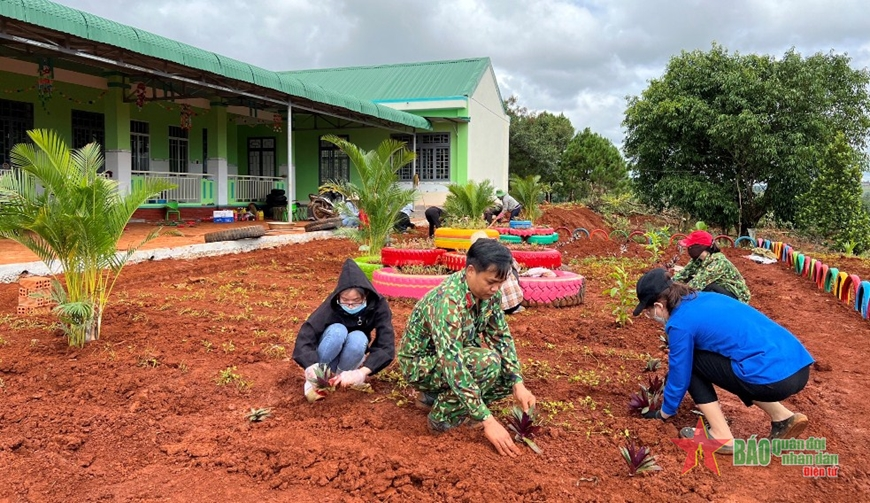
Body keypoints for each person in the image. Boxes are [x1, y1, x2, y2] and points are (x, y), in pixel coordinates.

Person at [634, 268, 814, 453]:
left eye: (648, 312)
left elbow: (680, 373)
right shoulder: (704, 297)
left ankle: (721, 435)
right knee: (741, 360)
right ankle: (782, 417)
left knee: (693, 362)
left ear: (658, 306)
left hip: (773, 380)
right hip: (797, 366)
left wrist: (664, 413)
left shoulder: (679, 323)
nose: (650, 317)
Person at [398, 238, 536, 457]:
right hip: (422, 366)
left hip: (453, 359)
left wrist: (518, 382)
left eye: (500, 283)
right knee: (487, 364)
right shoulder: (448, 301)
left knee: (505, 375)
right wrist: (488, 420)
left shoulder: (489, 295)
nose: (496, 289)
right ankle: (442, 419)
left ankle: (434, 398)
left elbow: (500, 338)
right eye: (491, 282)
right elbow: (452, 364)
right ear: (470, 270)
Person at [293, 259, 396, 402]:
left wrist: (361, 373)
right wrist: (311, 365)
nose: (351, 305)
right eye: (345, 300)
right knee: (337, 331)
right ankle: (318, 380)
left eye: (356, 301)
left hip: (352, 356)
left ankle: (339, 380)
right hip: (327, 353)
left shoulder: (378, 304)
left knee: (359, 337)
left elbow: (386, 345)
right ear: (338, 296)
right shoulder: (332, 304)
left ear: (365, 295)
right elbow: (307, 333)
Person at [670, 230, 750, 303]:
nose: (688, 249)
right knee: (687, 279)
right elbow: (684, 273)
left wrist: (673, 295)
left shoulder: (718, 261)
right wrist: (669, 283)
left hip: (736, 297)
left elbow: (697, 283)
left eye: (690, 246)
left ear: (698, 247)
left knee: (708, 286)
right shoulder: (698, 259)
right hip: (720, 287)